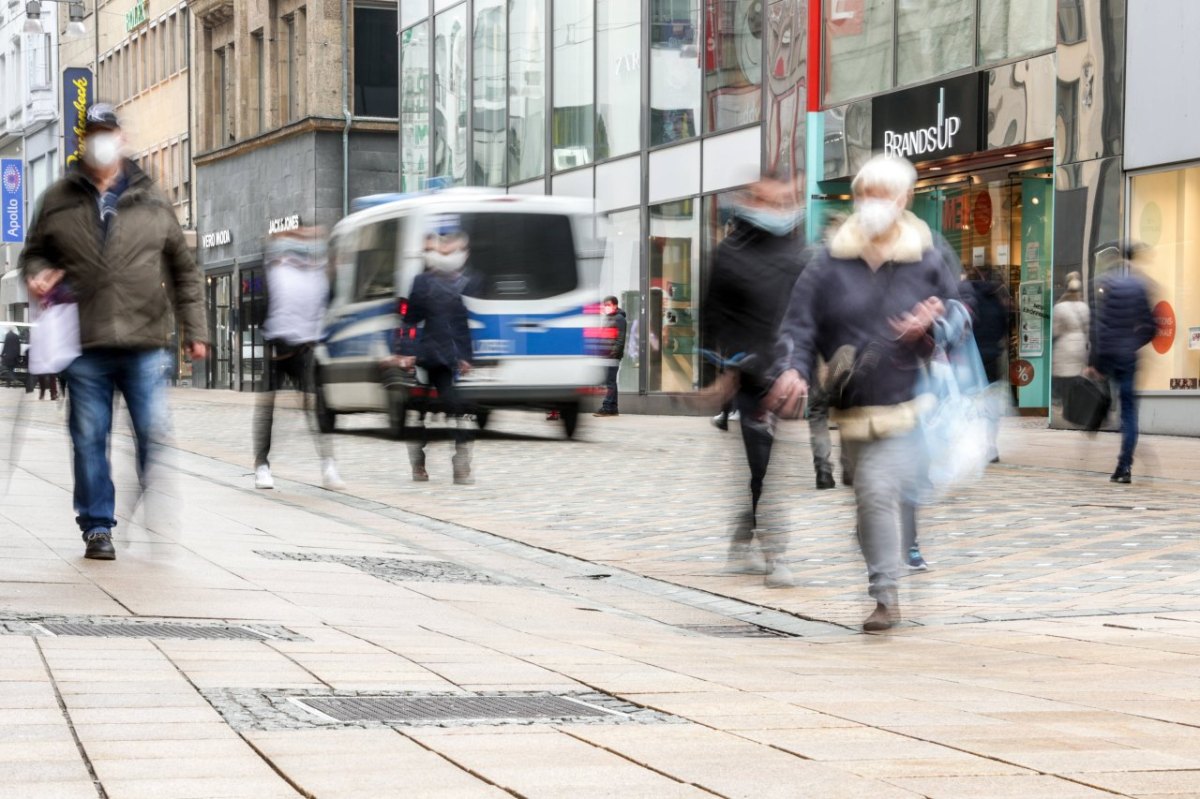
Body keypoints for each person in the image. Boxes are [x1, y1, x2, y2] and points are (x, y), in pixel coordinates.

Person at [767, 155, 959, 630]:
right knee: (872, 500)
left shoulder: (928, 256)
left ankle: (885, 597)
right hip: (854, 409)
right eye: (865, 194)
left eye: (882, 194)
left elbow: (962, 309)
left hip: (913, 406)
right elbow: (799, 325)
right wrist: (792, 370)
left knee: (877, 490)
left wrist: (935, 320)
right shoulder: (829, 263)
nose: (872, 204)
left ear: (903, 200)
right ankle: (885, 562)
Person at [19, 103, 208, 560]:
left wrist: (194, 330)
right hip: (85, 341)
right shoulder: (59, 197)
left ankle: (149, 497)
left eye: (108, 132)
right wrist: (39, 273)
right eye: (93, 133)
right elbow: (33, 253)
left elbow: (184, 270)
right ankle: (97, 525)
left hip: (145, 339)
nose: (101, 140)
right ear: (84, 140)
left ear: (121, 139)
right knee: (88, 437)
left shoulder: (151, 198)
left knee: (151, 430)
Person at [701, 175, 806, 588]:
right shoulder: (729, 254)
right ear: (750, 202)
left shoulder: (799, 253)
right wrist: (722, 368)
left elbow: (811, 312)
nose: (778, 209)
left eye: (784, 200)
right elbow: (712, 317)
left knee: (776, 467)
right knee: (763, 463)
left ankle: (745, 538)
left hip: (792, 374)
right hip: (748, 374)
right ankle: (775, 551)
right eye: (768, 200)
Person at [252, 227, 343, 491]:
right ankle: (262, 464)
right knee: (267, 409)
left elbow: (330, 300)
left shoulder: (318, 275)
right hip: (277, 347)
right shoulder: (274, 271)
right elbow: (261, 306)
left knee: (317, 407)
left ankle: (328, 464)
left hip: (305, 348)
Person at [393, 218, 475, 484]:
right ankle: (418, 464)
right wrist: (405, 353)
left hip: (445, 359)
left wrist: (464, 356)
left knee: (457, 410)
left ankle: (461, 464)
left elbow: (462, 323)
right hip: (421, 357)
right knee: (417, 411)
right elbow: (409, 320)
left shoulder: (457, 283)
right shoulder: (421, 282)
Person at [1086, 247, 1157, 484]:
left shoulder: (1107, 284)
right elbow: (1151, 326)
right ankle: (1124, 465)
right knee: (1129, 412)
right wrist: (1134, 344)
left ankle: (1105, 423)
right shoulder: (1141, 285)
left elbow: (1100, 326)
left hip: (1110, 355)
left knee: (1112, 401)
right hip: (1128, 358)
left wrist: (1096, 362)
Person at [961, 265, 1011, 462]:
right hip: (992, 357)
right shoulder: (996, 300)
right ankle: (990, 446)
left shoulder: (969, 301)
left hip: (971, 358)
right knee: (990, 405)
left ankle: (973, 445)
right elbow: (1004, 327)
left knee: (971, 402)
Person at [1052, 271, 1090, 400]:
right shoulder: (1084, 307)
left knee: (1064, 381)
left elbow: (1055, 331)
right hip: (1080, 347)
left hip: (1064, 348)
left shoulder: (1060, 307)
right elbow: (1087, 328)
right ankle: (1076, 405)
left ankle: (1065, 405)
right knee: (1077, 378)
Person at [594, 296, 627, 417]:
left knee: (610, 382)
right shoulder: (609, 318)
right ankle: (613, 408)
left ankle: (607, 407)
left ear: (615, 305)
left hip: (612, 356)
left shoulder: (619, 318)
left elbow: (620, 339)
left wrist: (613, 354)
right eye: (604, 305)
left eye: (608, 305)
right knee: (611, 381)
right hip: (606, 355)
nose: (605, 307)